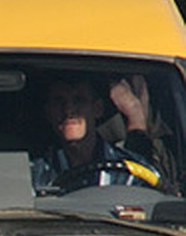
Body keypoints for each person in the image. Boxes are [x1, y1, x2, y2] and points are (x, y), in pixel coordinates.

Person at [31, 75, 165, 193]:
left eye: (79, 100)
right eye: (59, 101)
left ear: (97, 109)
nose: (69, 110)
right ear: (48, 113)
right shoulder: (33, 174)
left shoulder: (134, 173)